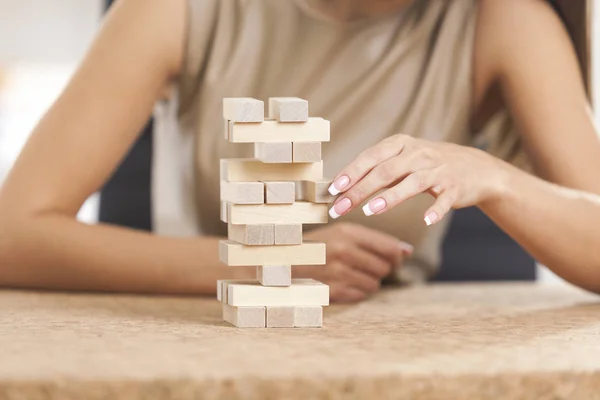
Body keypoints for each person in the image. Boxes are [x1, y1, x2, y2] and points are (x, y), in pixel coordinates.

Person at [0, 0, 599, 302]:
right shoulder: (176, 8)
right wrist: (253, 264)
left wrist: (494, 177)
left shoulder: (502, 19)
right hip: (212, 345)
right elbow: (14, 236)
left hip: (401, 360)